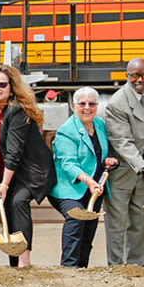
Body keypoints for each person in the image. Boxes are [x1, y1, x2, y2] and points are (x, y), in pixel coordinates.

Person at [0, 64, 53, 268]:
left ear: (11, 87)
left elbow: (14, 153)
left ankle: (25, 262)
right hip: (9, 170)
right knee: (6, 208)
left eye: (2, 84)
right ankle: (13, 263)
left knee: (17, 202)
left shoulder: (16, 112)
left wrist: (4, 186)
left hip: (30, 171)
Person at [103, 58, 144, 266]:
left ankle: (137, 266)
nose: (140, 79)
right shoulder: (117, 103)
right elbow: (123, 143)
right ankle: (117, 267)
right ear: (126, 76)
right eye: (135, 75)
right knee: (117, 223)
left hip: (142, 168)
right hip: (122, 169)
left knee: (139, 220)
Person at [50, 87, 118, 268]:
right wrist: (88, 181)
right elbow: (68, 163)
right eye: (82, 104)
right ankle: (69, 268)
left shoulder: (99, 125)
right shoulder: (66, 131)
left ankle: (82, 270)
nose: (87, 107)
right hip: (69, 188)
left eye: (92, 104)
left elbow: (101, 152)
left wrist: (109, 159)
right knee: (77, 217)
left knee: (88, 231)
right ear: (74, 106)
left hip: (94, 189)